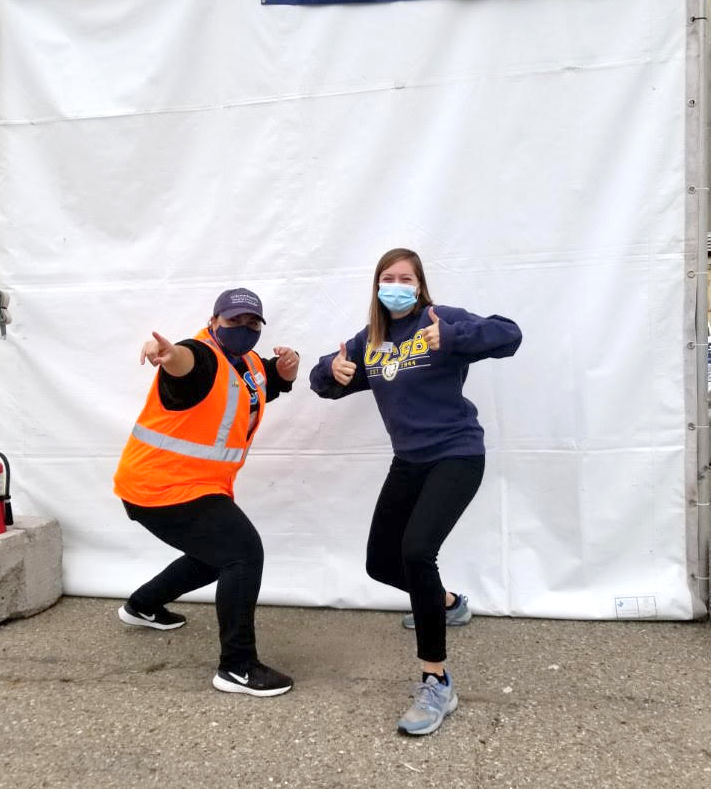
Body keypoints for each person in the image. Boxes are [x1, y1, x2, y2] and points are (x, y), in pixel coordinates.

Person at [309, 248, 521, 735]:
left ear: (420, 285)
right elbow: (330, 374)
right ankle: (447, 603)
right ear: (377, 286)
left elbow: (509, 334)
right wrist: (331, 374)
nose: (397, 284)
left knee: (416, 552)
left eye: (406, 277)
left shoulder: (439, 321)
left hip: (457, 454)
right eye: (388, 277)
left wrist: (455, 337)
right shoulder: (373, 340)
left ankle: (436, 680)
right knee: (380, 563)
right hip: (409, 461)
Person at [113, 287, 299, 697]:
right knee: (242, 552)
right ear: (213, 321)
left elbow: (261, 383)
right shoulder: (199, 357)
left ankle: (142, 605)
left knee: (216, 555)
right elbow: (185, 364)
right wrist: (168, 355)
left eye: (252, 323)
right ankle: (237, 666)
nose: (244, 329)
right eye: (234, 321)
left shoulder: (247, 364)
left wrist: (288, 369)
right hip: (159, 486)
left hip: (193, 486)